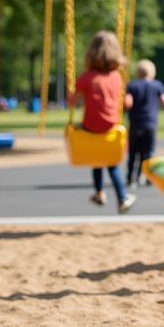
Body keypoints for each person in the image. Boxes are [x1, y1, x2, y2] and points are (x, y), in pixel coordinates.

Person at [71, 31, 136, 213]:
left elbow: (71, 101)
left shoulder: (87, 76)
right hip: (110, 126)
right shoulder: (117, 77)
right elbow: (128, 103)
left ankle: (99, 192)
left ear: (91, 52)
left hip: (89, 127)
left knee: (97, 157)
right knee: (110, 162)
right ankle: (122, 197)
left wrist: (74, 92)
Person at [125, 59, 164, 187]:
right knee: (148, 152)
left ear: (138, 73)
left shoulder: (132, 85)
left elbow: (128, 103)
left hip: (136, 123)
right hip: (150, 124)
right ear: (152, 73)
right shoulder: (157, 85)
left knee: (133, 152)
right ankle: (148, 177)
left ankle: (130, 178)